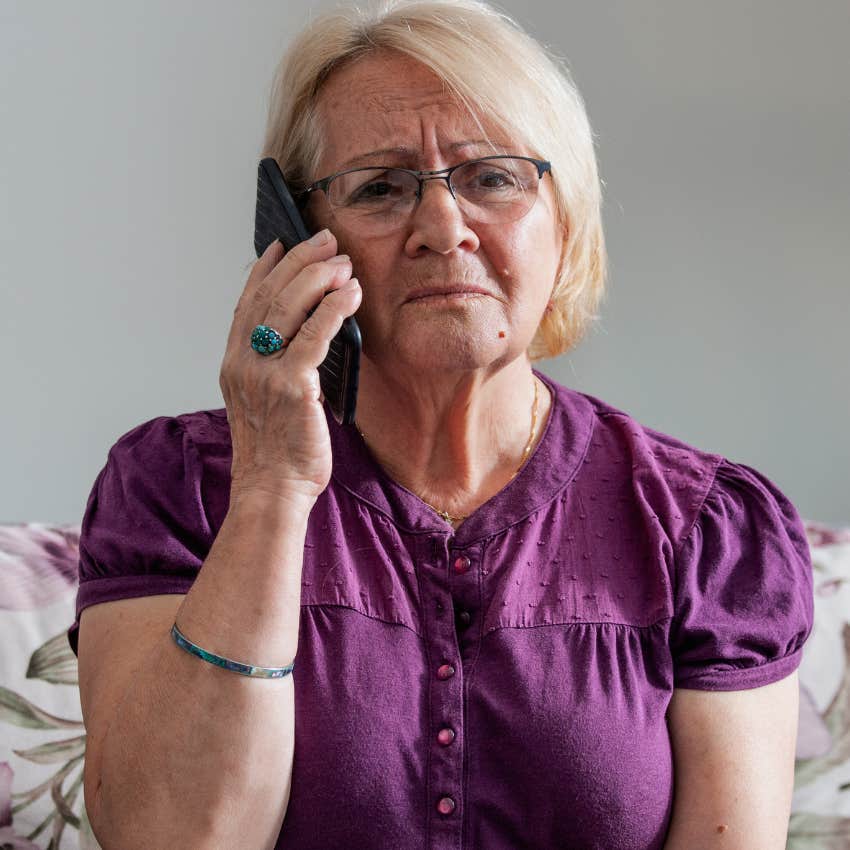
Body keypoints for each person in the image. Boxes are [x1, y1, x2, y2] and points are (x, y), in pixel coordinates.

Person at [68, 1, 814, 848]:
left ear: (565, 223)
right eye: (380, 188)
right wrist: (272, 485)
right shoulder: (180, 488)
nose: (443, 228)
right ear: (300, 238)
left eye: (491, 178)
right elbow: (170, 837)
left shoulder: (706, 527)